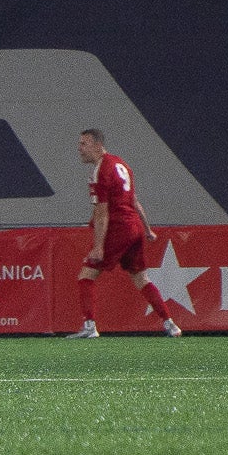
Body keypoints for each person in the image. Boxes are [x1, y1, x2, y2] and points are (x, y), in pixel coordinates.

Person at [67, 128, 185, 338]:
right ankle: (170, 324)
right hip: (134, 228)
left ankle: (89, 326)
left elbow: (103, 214)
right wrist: (147, 229)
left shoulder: (100, 171)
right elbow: (133, 200)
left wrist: (98, 246)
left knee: (86, 275)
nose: (79, 148)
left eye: (83, 144)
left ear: (96, 144)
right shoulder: (121, 164)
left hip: (118, 229)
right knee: (142, 278)